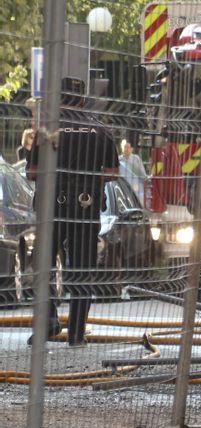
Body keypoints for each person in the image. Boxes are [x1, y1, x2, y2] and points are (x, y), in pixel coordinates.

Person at [26, 77, 119, 347]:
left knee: (42, 266)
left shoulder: (47, 130)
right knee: (81, 270)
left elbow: (32, 172)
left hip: (50, 207)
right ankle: (76, 334)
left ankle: (48, 324)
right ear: (82, 99)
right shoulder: (100, 130)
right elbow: (113, 173)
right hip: (84, 207)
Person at [119, 139, 148, 204]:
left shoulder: (136, 159)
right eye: (125, 147)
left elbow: (142, 173)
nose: (126, 149)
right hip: (122, 185)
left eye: (128, 147)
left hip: (135, 186)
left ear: (131, 149)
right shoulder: (119, 159)